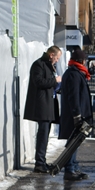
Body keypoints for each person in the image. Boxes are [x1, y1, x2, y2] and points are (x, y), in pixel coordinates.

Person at [23, 46, 62, 174]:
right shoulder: (38, 65)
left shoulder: (48, 65)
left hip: (48, 103)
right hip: (42, 104)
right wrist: (54, 80)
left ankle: (42, 160)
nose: (57, 60)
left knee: (45, 134)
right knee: (43, 134)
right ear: (51, 55)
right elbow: (39, 82)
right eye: (57, 57)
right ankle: (39, 163)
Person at [59, 47, 93, 181]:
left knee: (75, 141)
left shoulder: (74, 72)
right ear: (82, 61)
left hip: (75, 114)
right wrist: (77, 115)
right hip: (74, 115)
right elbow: (74, 96)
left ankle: (72, 166)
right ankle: (69, 169)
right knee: (73, 141)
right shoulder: (73, 74)